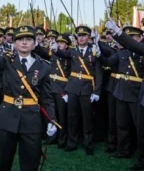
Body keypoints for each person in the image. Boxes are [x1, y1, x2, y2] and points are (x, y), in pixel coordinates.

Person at [0, 24, 57, 171]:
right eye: (20, 39)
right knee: (2, 163)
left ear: (34, 44)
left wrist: (51, 119)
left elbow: (47, 97)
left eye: (28, 39)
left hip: (32, 120)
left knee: (30, 164)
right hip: (6, 118)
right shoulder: (6, 61)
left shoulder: (44, 66)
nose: (24, 42)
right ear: (14, 44)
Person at [51, 25, 103, 155]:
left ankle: (88, 144)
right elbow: (62, 53)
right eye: (79, 36)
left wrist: (96, 91)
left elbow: (99, 73)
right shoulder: (73, 51)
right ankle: (71, 143)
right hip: (72, 88)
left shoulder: (94, 51)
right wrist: (55, 49)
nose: (81, 38)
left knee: (87, 119)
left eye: (84, 35)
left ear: (88, 37)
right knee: (72, 117)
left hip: (87, 89)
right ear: (76, 38)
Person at [106, 20, 144, 170]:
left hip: (137, 91)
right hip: (124, 91)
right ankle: (125, 151)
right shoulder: (126, 50)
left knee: (141, 129)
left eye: (134, 36)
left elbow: (135, 46)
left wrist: (119, 32)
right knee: (122, 124)